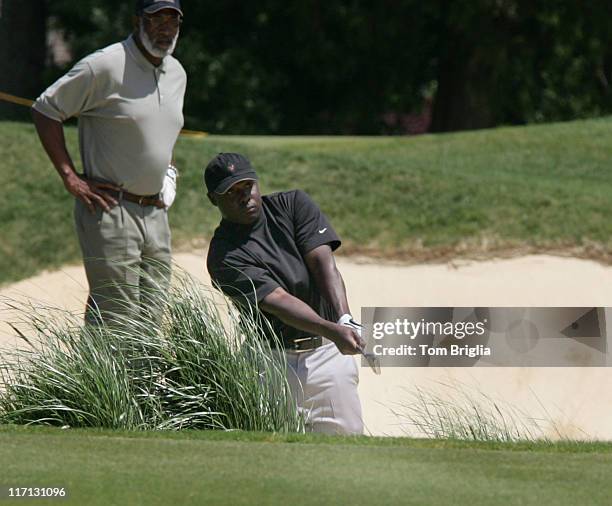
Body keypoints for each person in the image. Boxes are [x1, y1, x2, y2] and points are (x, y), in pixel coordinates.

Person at [31, 0, 186, 325]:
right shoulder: (104, 65)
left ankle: (140, 379)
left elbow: (166, 129)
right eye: (156, 19)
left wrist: (168, 172)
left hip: (156, 212)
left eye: (172, 21)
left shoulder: (177, 73)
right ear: (137, 21)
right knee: (116, 321)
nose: (165, 29)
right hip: (111, 209)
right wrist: (71, 177)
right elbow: (46, 110)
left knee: (152, 316)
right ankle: (99, 377)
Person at [205, 152, 365, 435]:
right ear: (213, 199)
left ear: (257, 183)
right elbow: (278, 301)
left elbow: (323, 262)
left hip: (327, 358)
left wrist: (344, 318)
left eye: (247, 187)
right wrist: (332, 329)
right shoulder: (223, 255)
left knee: (347, 452)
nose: (244, 197)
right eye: (231, 193)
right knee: (274, 462)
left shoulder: (292, 205)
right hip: (270, 365)